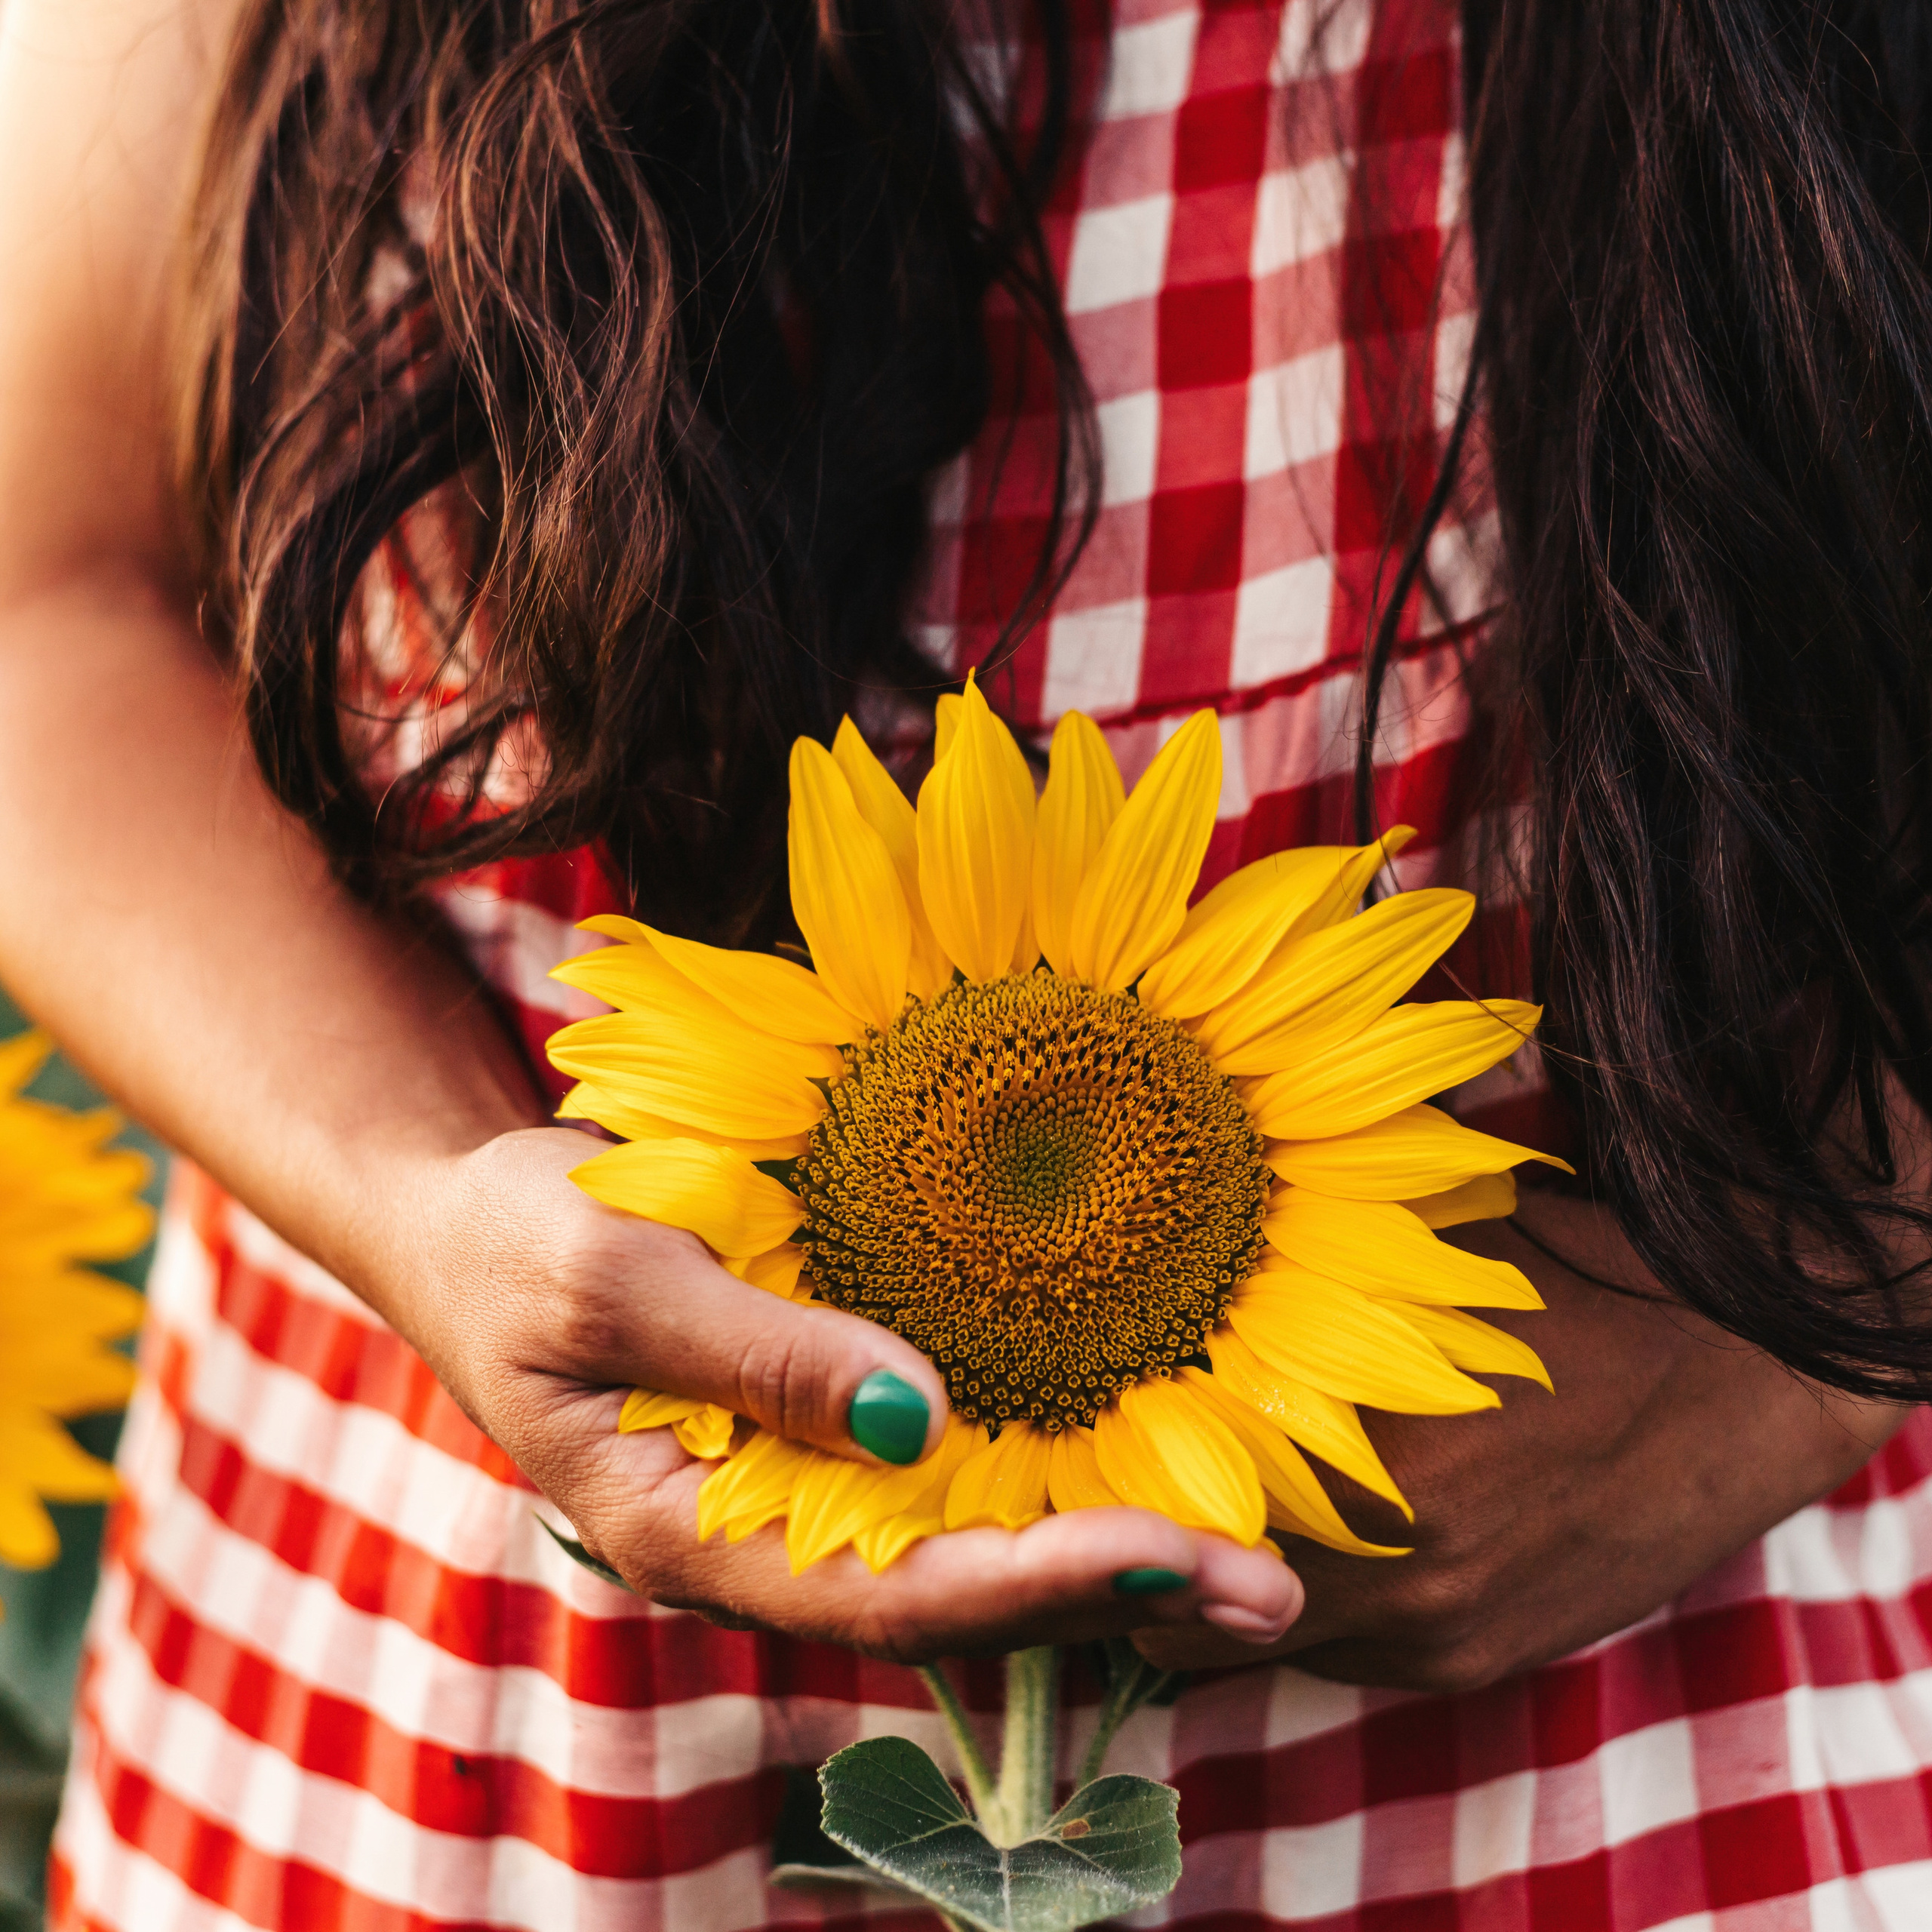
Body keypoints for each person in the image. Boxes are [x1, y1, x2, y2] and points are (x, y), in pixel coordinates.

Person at [2, 0, 1929, 1924]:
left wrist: (1799, 1324)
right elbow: (43, 598)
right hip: (463, 1706)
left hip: (1604, 1739)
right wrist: (422, 1198)